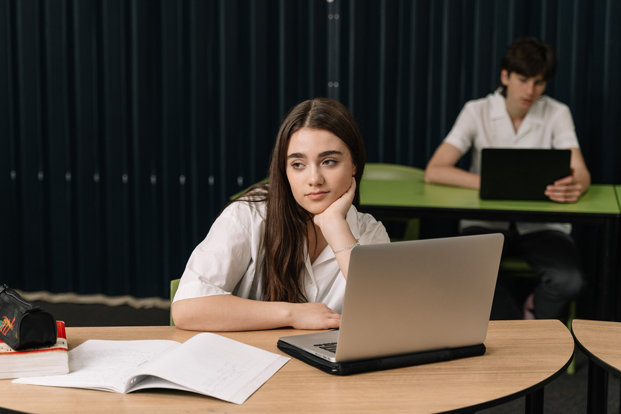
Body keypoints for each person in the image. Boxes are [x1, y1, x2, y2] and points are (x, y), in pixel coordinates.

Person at [172, 97, 390, 331]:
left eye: (329, 161)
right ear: (284, 170)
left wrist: (335, 226)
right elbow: (188, 309)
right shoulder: (248, 216)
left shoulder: (369, 231)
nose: (314, 179)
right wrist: (292, 314)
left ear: (354, 164)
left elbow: (388, 317)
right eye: (298, 164)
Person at [425, 36, 590, 320]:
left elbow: (581, 171)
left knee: (569, 280)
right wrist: (493, 183)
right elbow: (435, 170)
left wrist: (578, 185)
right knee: (469, 280)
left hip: (541, 226)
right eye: (523, 79)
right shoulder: (476, 111)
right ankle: (522, 334)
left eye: (539, 82)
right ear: (505, 75)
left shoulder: (557, 112)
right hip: (484, 222)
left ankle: (534, 312)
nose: (530, 90)